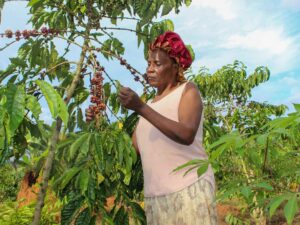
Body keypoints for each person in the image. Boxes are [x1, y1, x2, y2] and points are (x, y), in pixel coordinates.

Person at [118, 31, 218, 225]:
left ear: (175, 66)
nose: (150, 69)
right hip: (155, 199)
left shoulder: (187, 91)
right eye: (148, 64)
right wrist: (95, 122)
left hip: (189, 191)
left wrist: (140, 107)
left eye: (157, 64)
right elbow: (131, 151)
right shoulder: (149, 106)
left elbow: (187, 133)